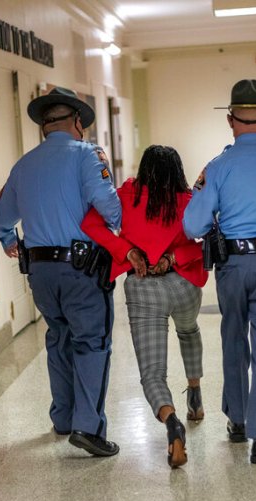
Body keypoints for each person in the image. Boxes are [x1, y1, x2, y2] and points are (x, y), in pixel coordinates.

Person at [0, 87, 122, 457]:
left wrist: (9, 240)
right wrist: (121, 227)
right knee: (92, 342)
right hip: (82, 270)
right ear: (77, 122)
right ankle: (89, 428)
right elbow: (109, 206)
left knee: (59, 338)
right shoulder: (87, 155)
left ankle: (63, 418)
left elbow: (1, 217)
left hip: (41, 273)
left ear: (44, 127)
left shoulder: (24, 164)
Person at [183, 79, 256, 464]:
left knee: (234, 336)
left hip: (232, 266)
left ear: (230, 120)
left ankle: (237, 420)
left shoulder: (217, 167)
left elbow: (193, 225)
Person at [82, 145, 208, 468]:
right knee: (188, 330)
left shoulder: (126, 196)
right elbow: (207, 242)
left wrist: (127, 251)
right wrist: (174, 257)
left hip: (143, 288)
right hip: (184, 285)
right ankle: (195, 393)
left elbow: (91, 225)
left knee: (152, 373)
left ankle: (172, 424)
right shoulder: (188, 201)